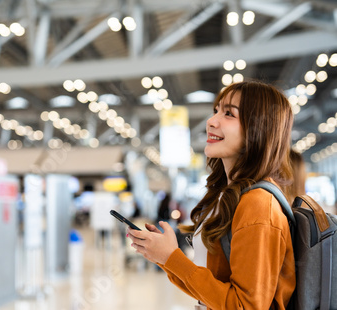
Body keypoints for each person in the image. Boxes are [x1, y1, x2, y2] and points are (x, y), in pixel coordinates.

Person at [127, 81, 296, 309]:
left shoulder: (258, 204)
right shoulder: (233, 196)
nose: (211, 121)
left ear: (259, 127)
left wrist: (171, 258)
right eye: (216, 110)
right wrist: (166, 258)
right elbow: (213, 290)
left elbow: (245, 306)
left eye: (228, 114)